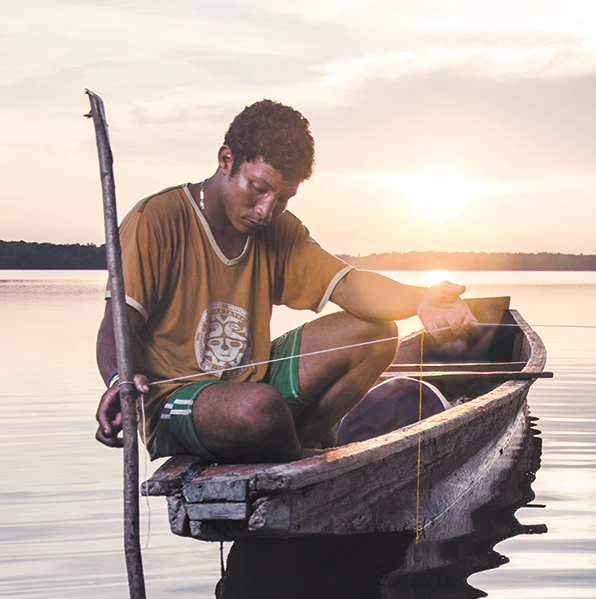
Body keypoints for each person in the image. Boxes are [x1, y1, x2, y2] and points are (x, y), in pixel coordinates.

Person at [95, 99, 478, 464]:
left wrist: (422, 298)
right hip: (173, 400)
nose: (267, 210)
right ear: (226, 160)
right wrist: (118, 381)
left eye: (283, 198)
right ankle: (294, 455)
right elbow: (116, 326)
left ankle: (297, 451)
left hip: (253, 384)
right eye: (258, 189)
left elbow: (349, 286)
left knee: (375, 334)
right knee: (259, 409)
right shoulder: (157, 219)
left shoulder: (278, 229)